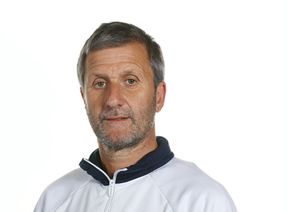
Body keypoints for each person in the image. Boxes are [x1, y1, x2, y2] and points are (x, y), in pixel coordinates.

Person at [34, 21, 237, 212]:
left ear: (159, 96)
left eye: (130, 81)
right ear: (84, 98)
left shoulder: (201, 201)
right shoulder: (55, 201)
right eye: (99, 83)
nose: (113, 99)